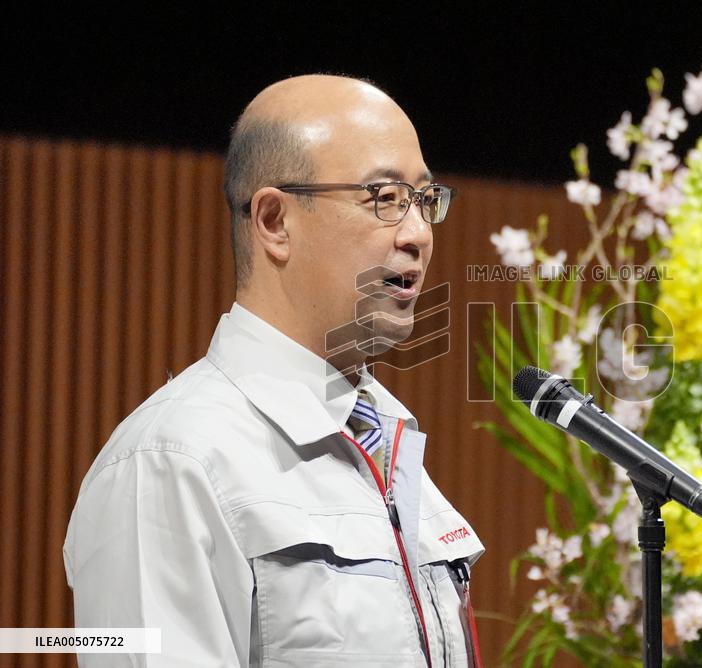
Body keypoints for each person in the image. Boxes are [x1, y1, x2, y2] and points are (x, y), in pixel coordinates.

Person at [63, 74, 484, 667]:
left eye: (424, 200)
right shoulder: (171, 463)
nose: (418, 233)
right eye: (385, 199)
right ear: (274, 221)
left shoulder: (386, 438)